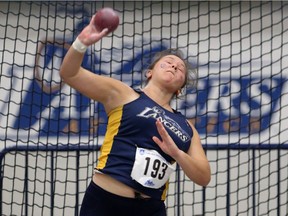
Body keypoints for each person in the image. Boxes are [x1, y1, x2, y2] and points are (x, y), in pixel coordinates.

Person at [60, 14, 211, 216]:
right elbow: (69, 74)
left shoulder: (186, 127)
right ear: (149, 72)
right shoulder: (123, 94)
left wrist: (177, 153)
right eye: (167, 62)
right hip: (105, 201)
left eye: (180, 68)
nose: (174, 66)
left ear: (180, 90)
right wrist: (81, 43)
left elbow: (204, 177)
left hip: (150, 209)